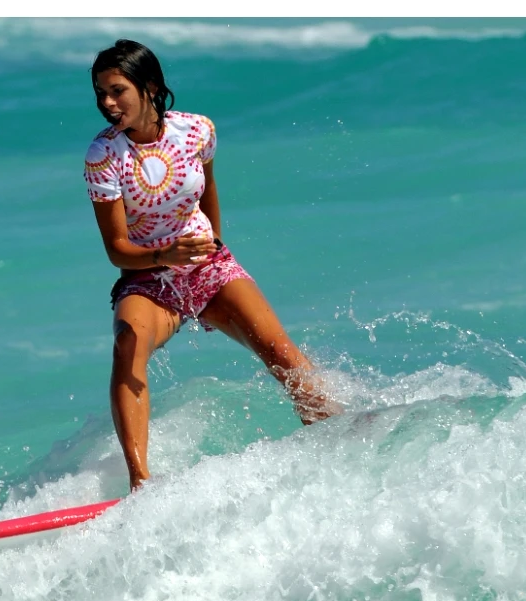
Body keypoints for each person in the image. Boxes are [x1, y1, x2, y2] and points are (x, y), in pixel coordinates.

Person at [84, 39, 340, 491]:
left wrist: (215, 246)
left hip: (207, 266)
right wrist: (164, 257)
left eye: (117, 90)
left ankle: (339, 437)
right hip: (147, 278)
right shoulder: (104, 156)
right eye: (100, 92)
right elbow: (116, 248)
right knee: (127, 346)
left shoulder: (197, 131)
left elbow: (208, 191)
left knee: (283, 356)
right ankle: (141, 482)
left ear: (150, 88)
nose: (107, 102)